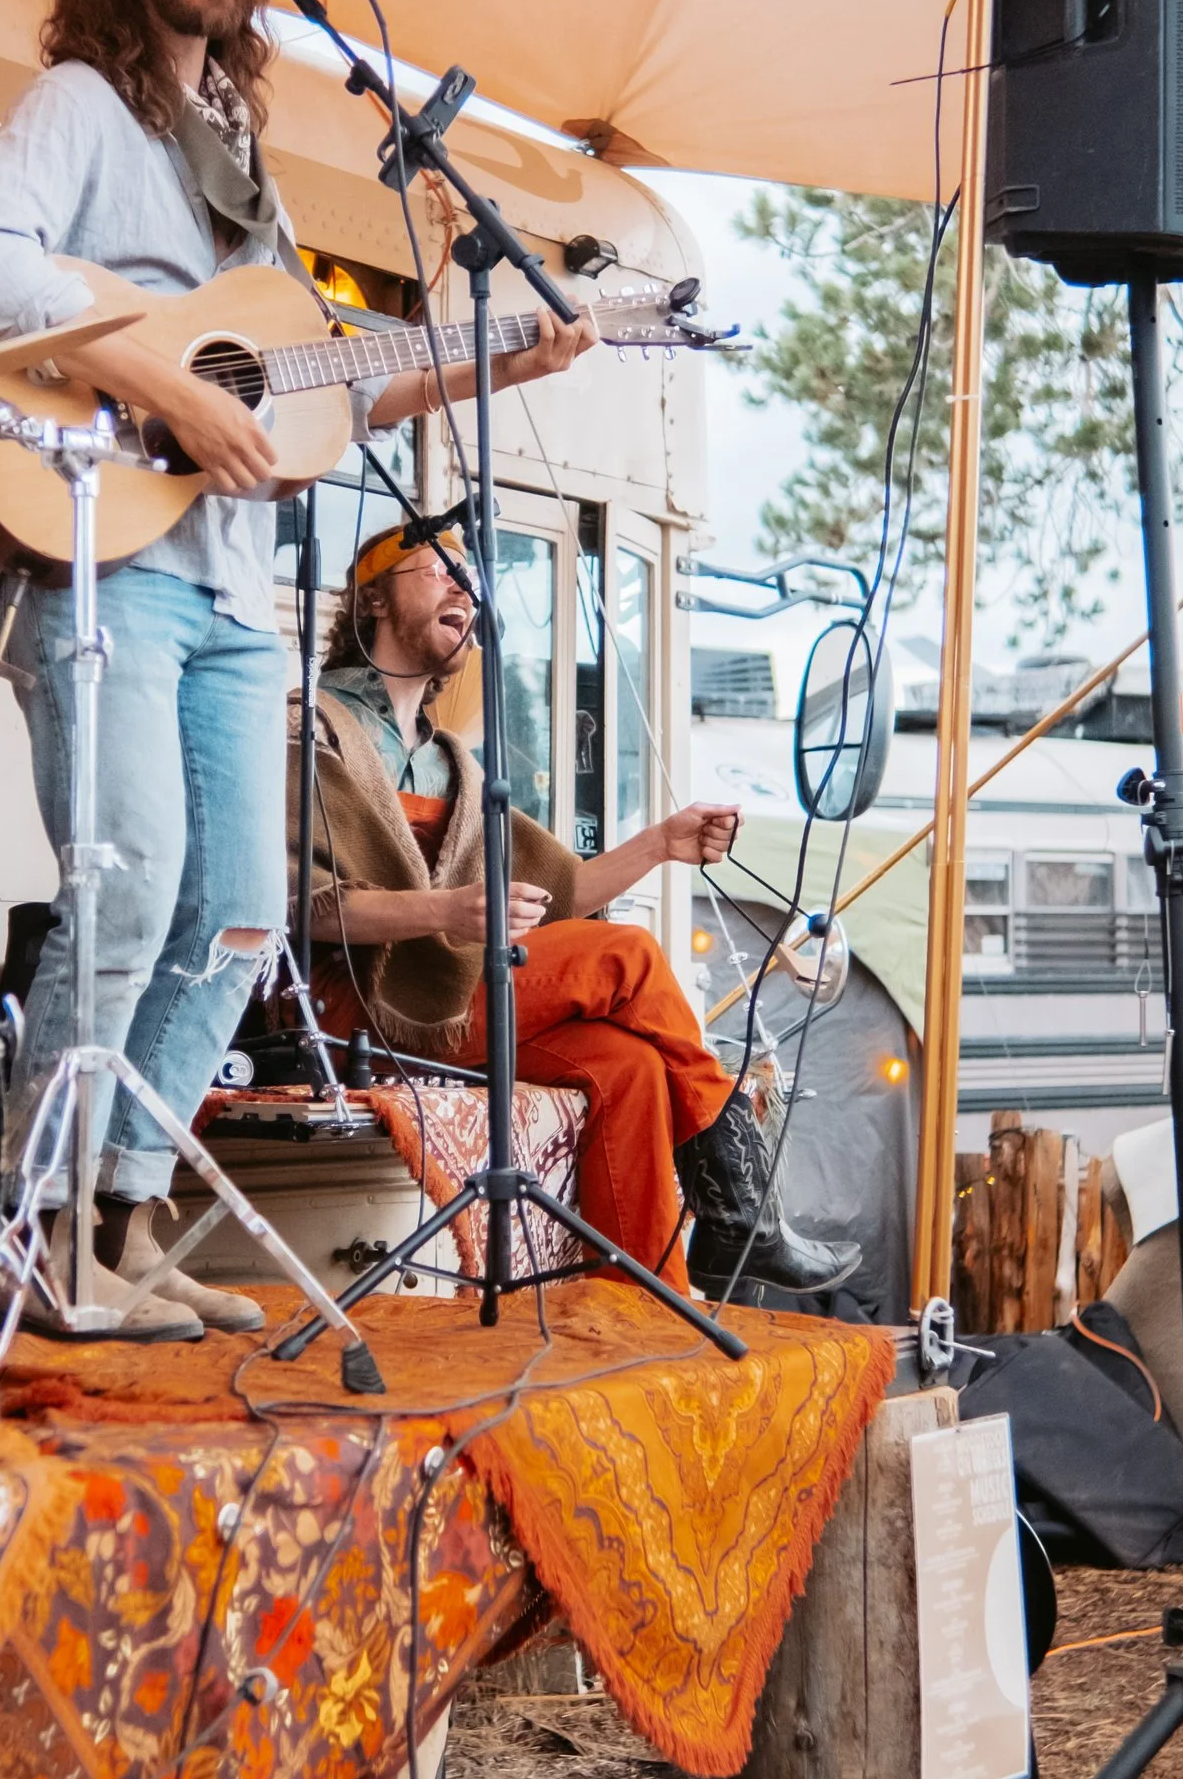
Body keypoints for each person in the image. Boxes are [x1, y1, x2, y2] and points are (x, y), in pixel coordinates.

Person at [0, 0, 594, 1335]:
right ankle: (36, 1234)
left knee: (238, 910)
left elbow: (312, 395)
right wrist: (159, 375)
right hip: (103, 563)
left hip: (233, 600)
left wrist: (503, 355)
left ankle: (125, 1212)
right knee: (133, 879)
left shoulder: (241, 174)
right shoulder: (82, 107)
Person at [298, 519, 858, 1302]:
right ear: (372, 605)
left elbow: (560, 890)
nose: (463, 586)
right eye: (435, 570)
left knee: (625, 1066)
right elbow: (303, 907)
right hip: (359, 1009)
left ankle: (644, 1303)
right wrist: (448, 912)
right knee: (625, 954)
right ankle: (743, 1217)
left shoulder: (450, 757)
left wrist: (664, 842)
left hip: (454, 996)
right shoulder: (312, 724)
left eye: (469, 576)